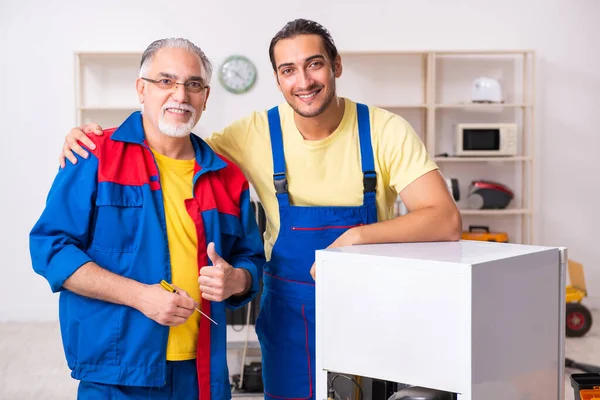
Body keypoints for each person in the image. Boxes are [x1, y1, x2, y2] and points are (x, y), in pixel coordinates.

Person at [58, 19, 462, 399]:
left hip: (374, 307)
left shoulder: (384, 130)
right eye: (288, 70)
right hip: (290, 315)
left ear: (336, 66)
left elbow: (444, 219)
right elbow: (171, 141)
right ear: (277, 79)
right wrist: (96, 140)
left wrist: (355, 237)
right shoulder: (249, 135)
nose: (303, 81)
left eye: (315, 65)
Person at [30, 38, 265, 400]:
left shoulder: (228, 176)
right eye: (165, 81)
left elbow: (251, 260)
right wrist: (140, 297)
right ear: (141, 89)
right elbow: (51, 249)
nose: (180, 94)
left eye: (193, 84)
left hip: (202, 376)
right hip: (117, 371)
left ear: (205, 96)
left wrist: (237, 279)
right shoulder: (92, 156)